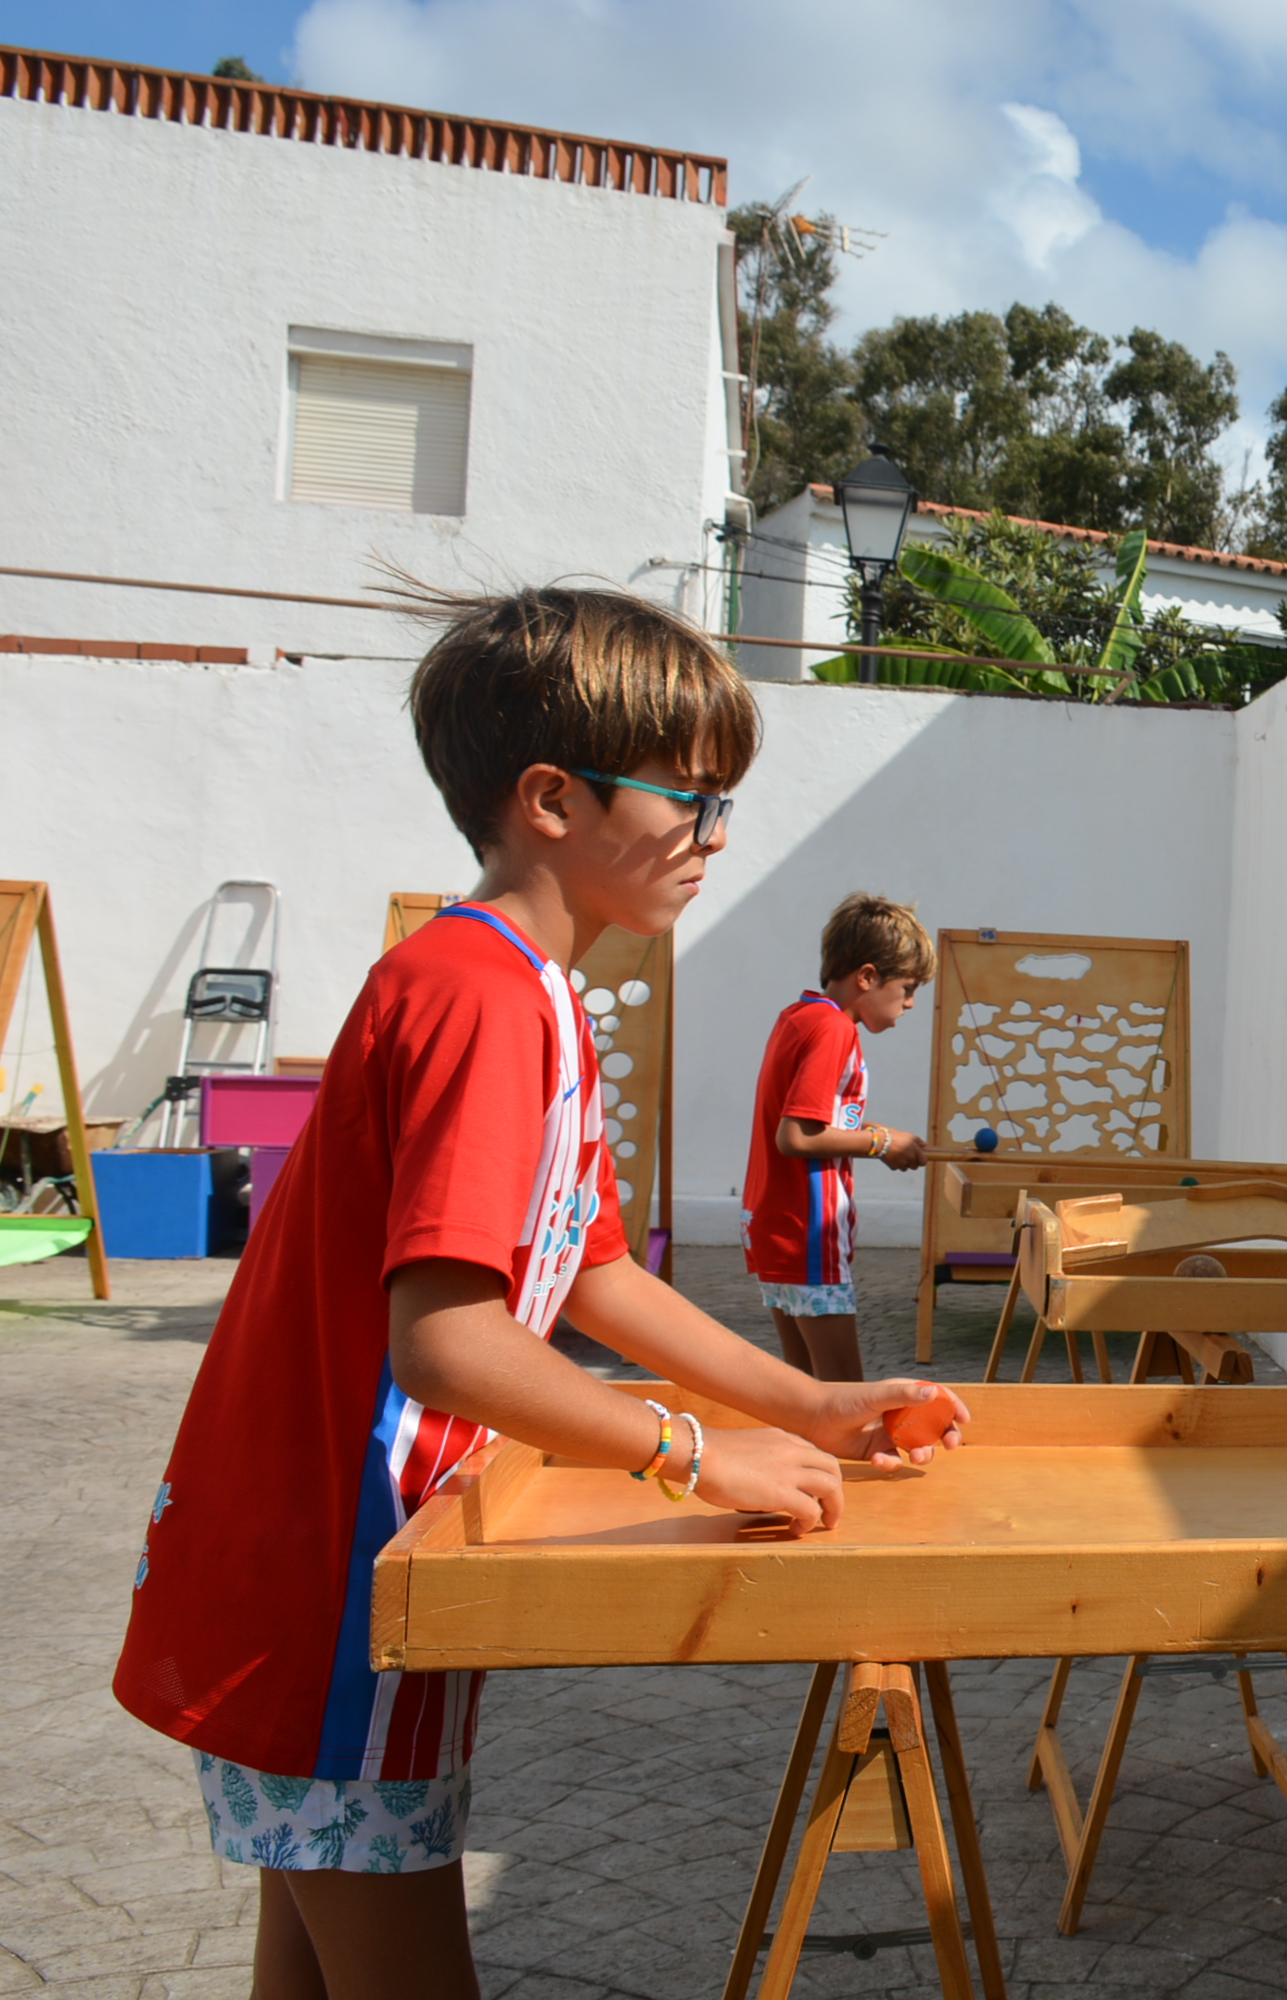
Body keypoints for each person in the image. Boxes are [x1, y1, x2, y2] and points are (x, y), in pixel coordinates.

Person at [111, 587, 966, 2000]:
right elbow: (450, 1343)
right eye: (692, 799)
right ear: (554, 800)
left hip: (362, 1577)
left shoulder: (541, 994)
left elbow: (593, 1270)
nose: (716, 836)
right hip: (330, 1593)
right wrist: (694, 1453)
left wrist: (810, 1406)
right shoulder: (482, 994)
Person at [741, 894, 933, 1381]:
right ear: (867, 977)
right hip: (807, 1228)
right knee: (843, 1394)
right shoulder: (834, 1030)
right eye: (907, 988)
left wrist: (880, 1136)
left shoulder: (799, 1016)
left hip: (774, 1221)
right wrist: (881, 1143)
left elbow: (811, 1121)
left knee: (806, 1391)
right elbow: (797, 1136)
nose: (910, 1003)